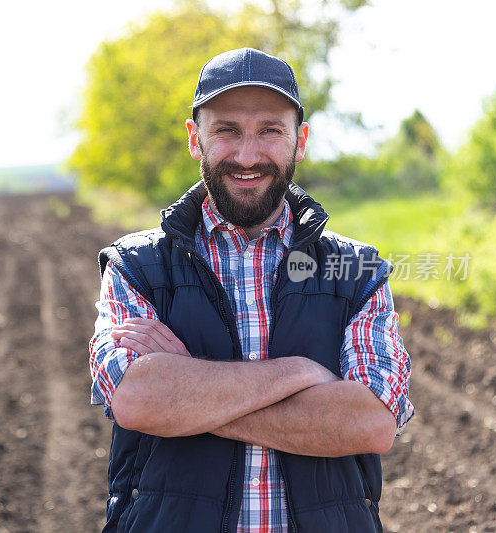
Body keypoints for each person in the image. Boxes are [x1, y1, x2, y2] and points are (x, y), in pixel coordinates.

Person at [88, 48, 413, 533]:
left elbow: (370, 423)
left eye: (269, 130)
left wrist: (186, 393)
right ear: (195, 140)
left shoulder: (357, 271)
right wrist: (300, 373)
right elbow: (138, 400)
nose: (246, 155)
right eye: (226, 130)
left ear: (299, 141)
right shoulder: (136, 267)